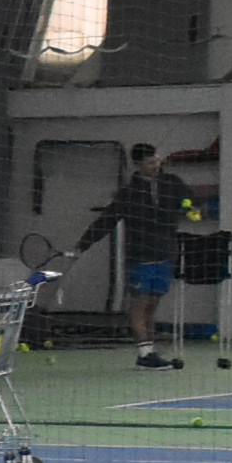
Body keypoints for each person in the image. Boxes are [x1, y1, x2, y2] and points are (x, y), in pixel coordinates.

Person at [78, 143, 188, 369]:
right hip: (140, 255)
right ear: (138, 165)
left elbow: (192, 199)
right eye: (150, 163)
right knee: (141, 302)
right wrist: (84, 244)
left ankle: (149, 351)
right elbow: (106, 220)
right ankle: (145, 354)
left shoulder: (173, 183)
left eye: (157, 160)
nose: (156, 165)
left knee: (153, 303)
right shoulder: (128, 194)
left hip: (166, 253)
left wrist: (193, 207)